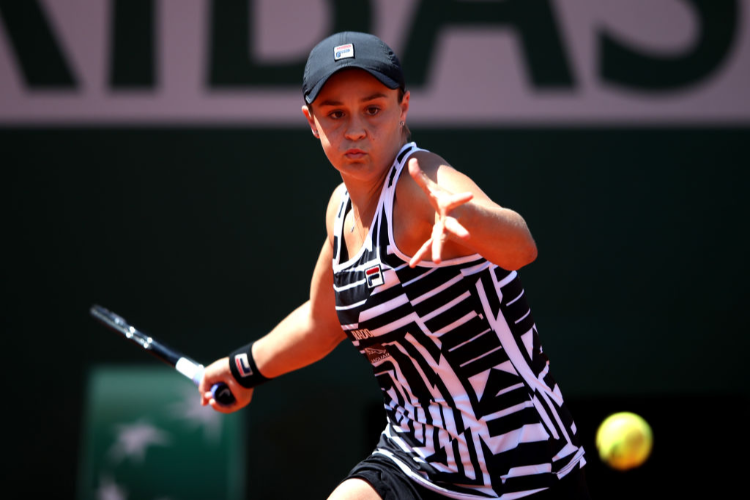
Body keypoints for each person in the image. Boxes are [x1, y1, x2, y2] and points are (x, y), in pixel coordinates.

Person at [199, 31, 590, 500]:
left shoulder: (419, 181)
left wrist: (466, 215)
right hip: (416, 459)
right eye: (335, 113)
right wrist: (241, 369)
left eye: (373, 108)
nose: (356, 129)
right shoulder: (340, 209)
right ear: (311, 121)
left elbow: (520, 246)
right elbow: (322, 322)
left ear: (403, 108)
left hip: (521, 470)